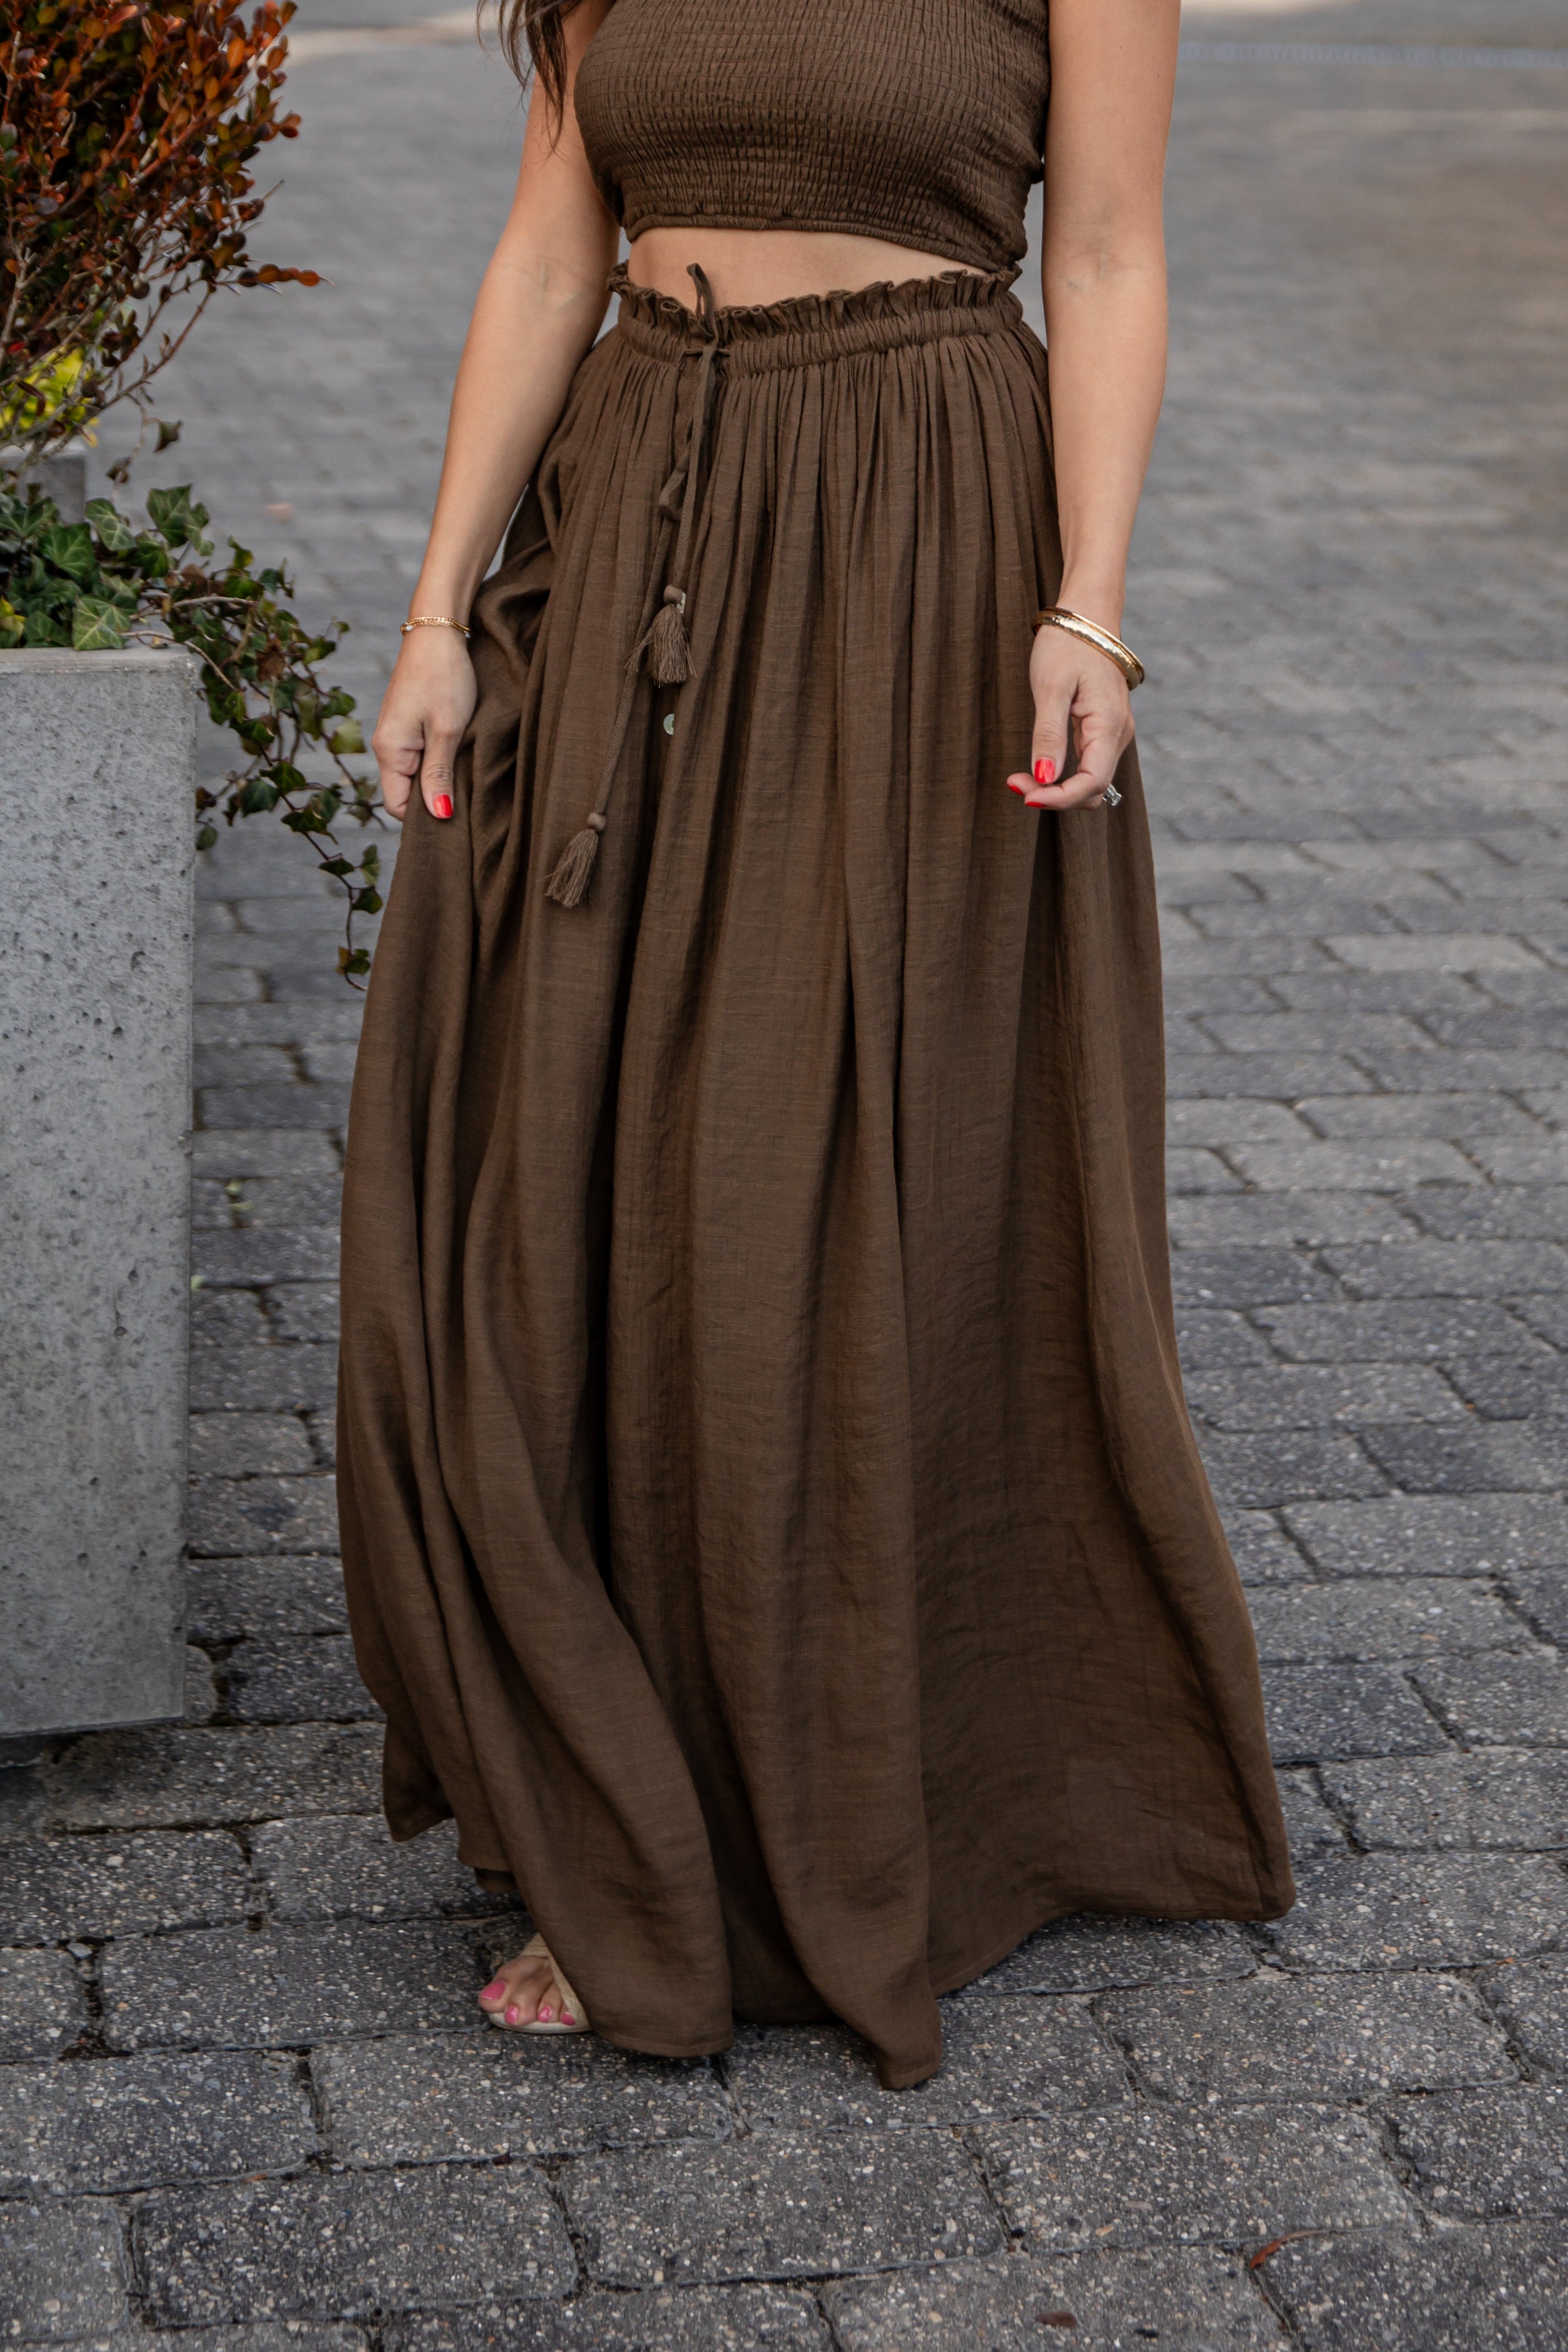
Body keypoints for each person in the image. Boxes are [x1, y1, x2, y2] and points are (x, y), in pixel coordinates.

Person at [339, 0, 1294, 2092]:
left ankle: (833, 1799)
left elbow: (1105, 249)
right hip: (635, 519)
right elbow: (551, 250)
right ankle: (617, 1780)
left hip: (906, 542)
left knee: (808, 1167)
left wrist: (1091, 603)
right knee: (569, 1151)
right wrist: (434, 615)